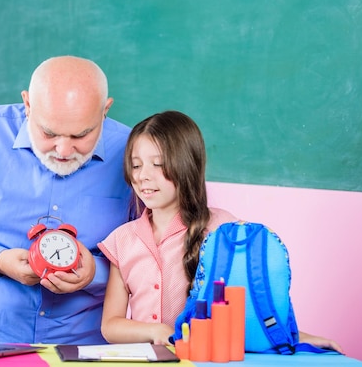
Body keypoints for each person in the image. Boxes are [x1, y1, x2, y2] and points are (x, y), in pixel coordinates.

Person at [0, 56, 134, 345]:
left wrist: (97, 272)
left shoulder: (135, 155)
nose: (64, 150)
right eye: (49, 133)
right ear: (28, 105)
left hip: (85, 346)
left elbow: (154, 247)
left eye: (82, 134)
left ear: (105, 111)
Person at [98, 110, 344, 353]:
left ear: (187, 166)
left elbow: (249, 309)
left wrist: (297, 337)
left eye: (158, 164)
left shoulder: (222, 231)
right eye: (136, 165)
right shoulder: (122, 240)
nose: (143, 176)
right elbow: (111, 326)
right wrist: (155, 331)